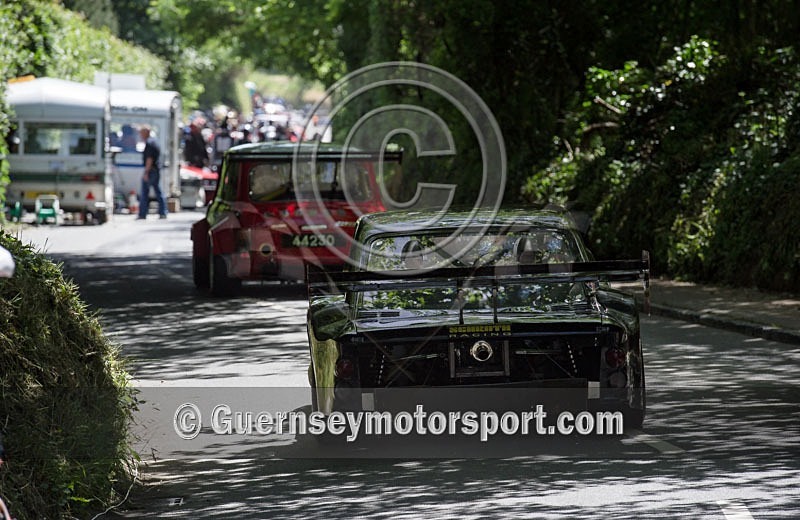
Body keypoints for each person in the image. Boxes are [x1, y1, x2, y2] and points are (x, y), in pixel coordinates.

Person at [137, 125, 167, 220]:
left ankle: (142, 213)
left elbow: (149, 159)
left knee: (145, 192)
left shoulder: (150, 144)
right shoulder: (155, 142)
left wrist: (146, 172)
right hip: (155, 170)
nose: (140, 135)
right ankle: (163, 212)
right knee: (158, 191)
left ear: (146, 133)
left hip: (151, 171)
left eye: (141, 133)